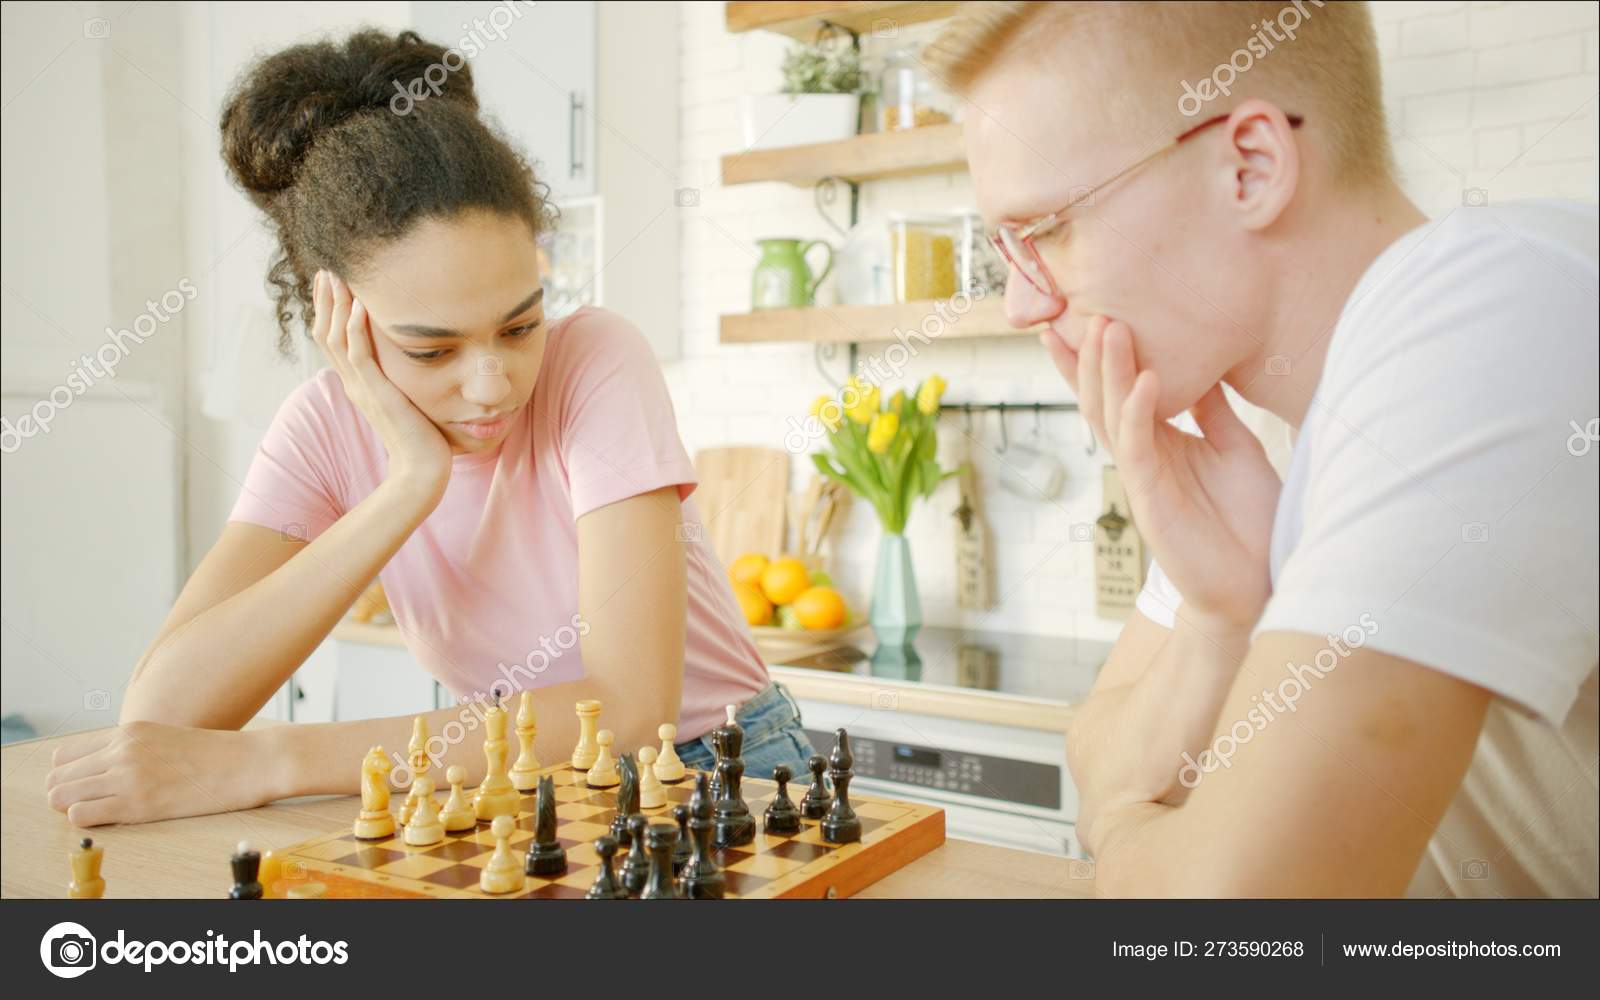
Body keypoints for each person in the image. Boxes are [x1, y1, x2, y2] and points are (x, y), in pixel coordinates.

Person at [44, 29, 813, 827]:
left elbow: (627, 706)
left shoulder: (597, 361)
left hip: (716, 770)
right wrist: (407, 484)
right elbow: (162, 718)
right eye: (431, 348)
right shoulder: (320, 429)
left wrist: (274, 759)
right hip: (523, 785)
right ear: (339, 318)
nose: (491, 385)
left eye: (520, 327)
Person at [930, 1, 1597, 896]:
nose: (1021, 304)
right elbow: (1096, 751)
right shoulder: (1258, 438)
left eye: (1047, 229)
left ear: (1250, 165)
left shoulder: (1494, 298)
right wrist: (1219, 619)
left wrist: (1129, 831)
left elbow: (1239, 918)